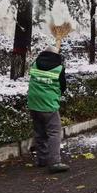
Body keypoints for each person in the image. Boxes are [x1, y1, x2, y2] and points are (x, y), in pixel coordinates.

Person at [27, 45, 69, 173]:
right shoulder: (59, 68)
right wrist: (56, 95)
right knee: (54, 132)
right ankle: (55, 162)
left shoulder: (35, 64)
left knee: (39, 132)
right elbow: (63, 86)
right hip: (48, 104)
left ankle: (42, 159)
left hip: (33, 103)